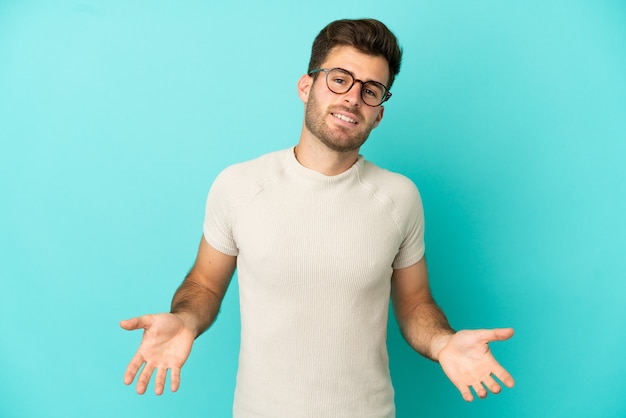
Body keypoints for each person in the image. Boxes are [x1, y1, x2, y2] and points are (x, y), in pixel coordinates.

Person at [121, 18, 514, 417]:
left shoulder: (400, 198)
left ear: (379, 113)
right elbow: (204, 283)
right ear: (306, 86)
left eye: (371, 90)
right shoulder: (238, 185)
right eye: (340, 79)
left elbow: (415, 304)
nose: (353, 98)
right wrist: (184, 319)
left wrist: (444, 342)